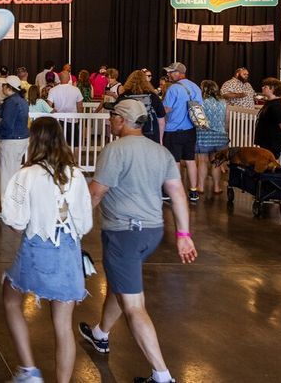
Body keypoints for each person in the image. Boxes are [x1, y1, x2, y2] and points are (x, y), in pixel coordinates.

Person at [79, 99, 196, 383]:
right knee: (122, 284)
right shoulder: (161, 151)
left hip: (124, 235)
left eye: (111, 117)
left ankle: (162, 375)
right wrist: (183, 235)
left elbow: (96, 193)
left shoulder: (114, 150)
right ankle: (100, 334)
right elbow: (178, 194)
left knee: (134, 305)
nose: (108, 121)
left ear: (121, 120)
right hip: (152, 231)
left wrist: (74, 227)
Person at [1, 117, 92, 383]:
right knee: (63, 326)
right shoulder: (75, 174)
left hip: (36, 249)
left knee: (10, 298)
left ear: (34, 140)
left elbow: (16, 223)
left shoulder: (26, 175)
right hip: (68, 252)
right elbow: (85, 224)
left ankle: (29, 371)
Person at [161, 62, 204, 203]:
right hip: (191, 129)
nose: (168, 74)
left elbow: (165, 109)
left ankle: (176, 191)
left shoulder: (173, 89)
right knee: (191, 160)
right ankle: (193, 191)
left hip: (173, 130)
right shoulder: (195, 87)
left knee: (175, 161)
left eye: (171, 72)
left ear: (179, 73)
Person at [0, 76, 30, 219]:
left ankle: (5, 210)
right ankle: (15, 207)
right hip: (21, 140)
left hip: (10, 141)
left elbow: (7, 124)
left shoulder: (11, 102)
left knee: (5, 175)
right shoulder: (21, 101)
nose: (2, 88)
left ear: (9, 88)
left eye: (4, 86)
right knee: (14, 174)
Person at [195, 80, 229, 194]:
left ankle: (201, 187)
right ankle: (217, 187)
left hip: (204, 134)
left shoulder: (200, 102)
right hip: (220, 135)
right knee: (216, 162)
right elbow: (226, 121)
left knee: (202, 161)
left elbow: (198, 120)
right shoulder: (223, 102)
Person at [120, 70, 164, 143]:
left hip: (129, 132)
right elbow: (161, 120)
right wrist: (160, 139)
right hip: (150, 131)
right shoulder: (153, 96)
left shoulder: (124, 96)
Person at [254, 78, 281, 161]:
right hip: (266, 141)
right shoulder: (270, 103)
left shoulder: (277, 106)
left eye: (265, 86)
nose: (262, 88)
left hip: (272, 142)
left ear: (273, 89)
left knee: (269, 165)